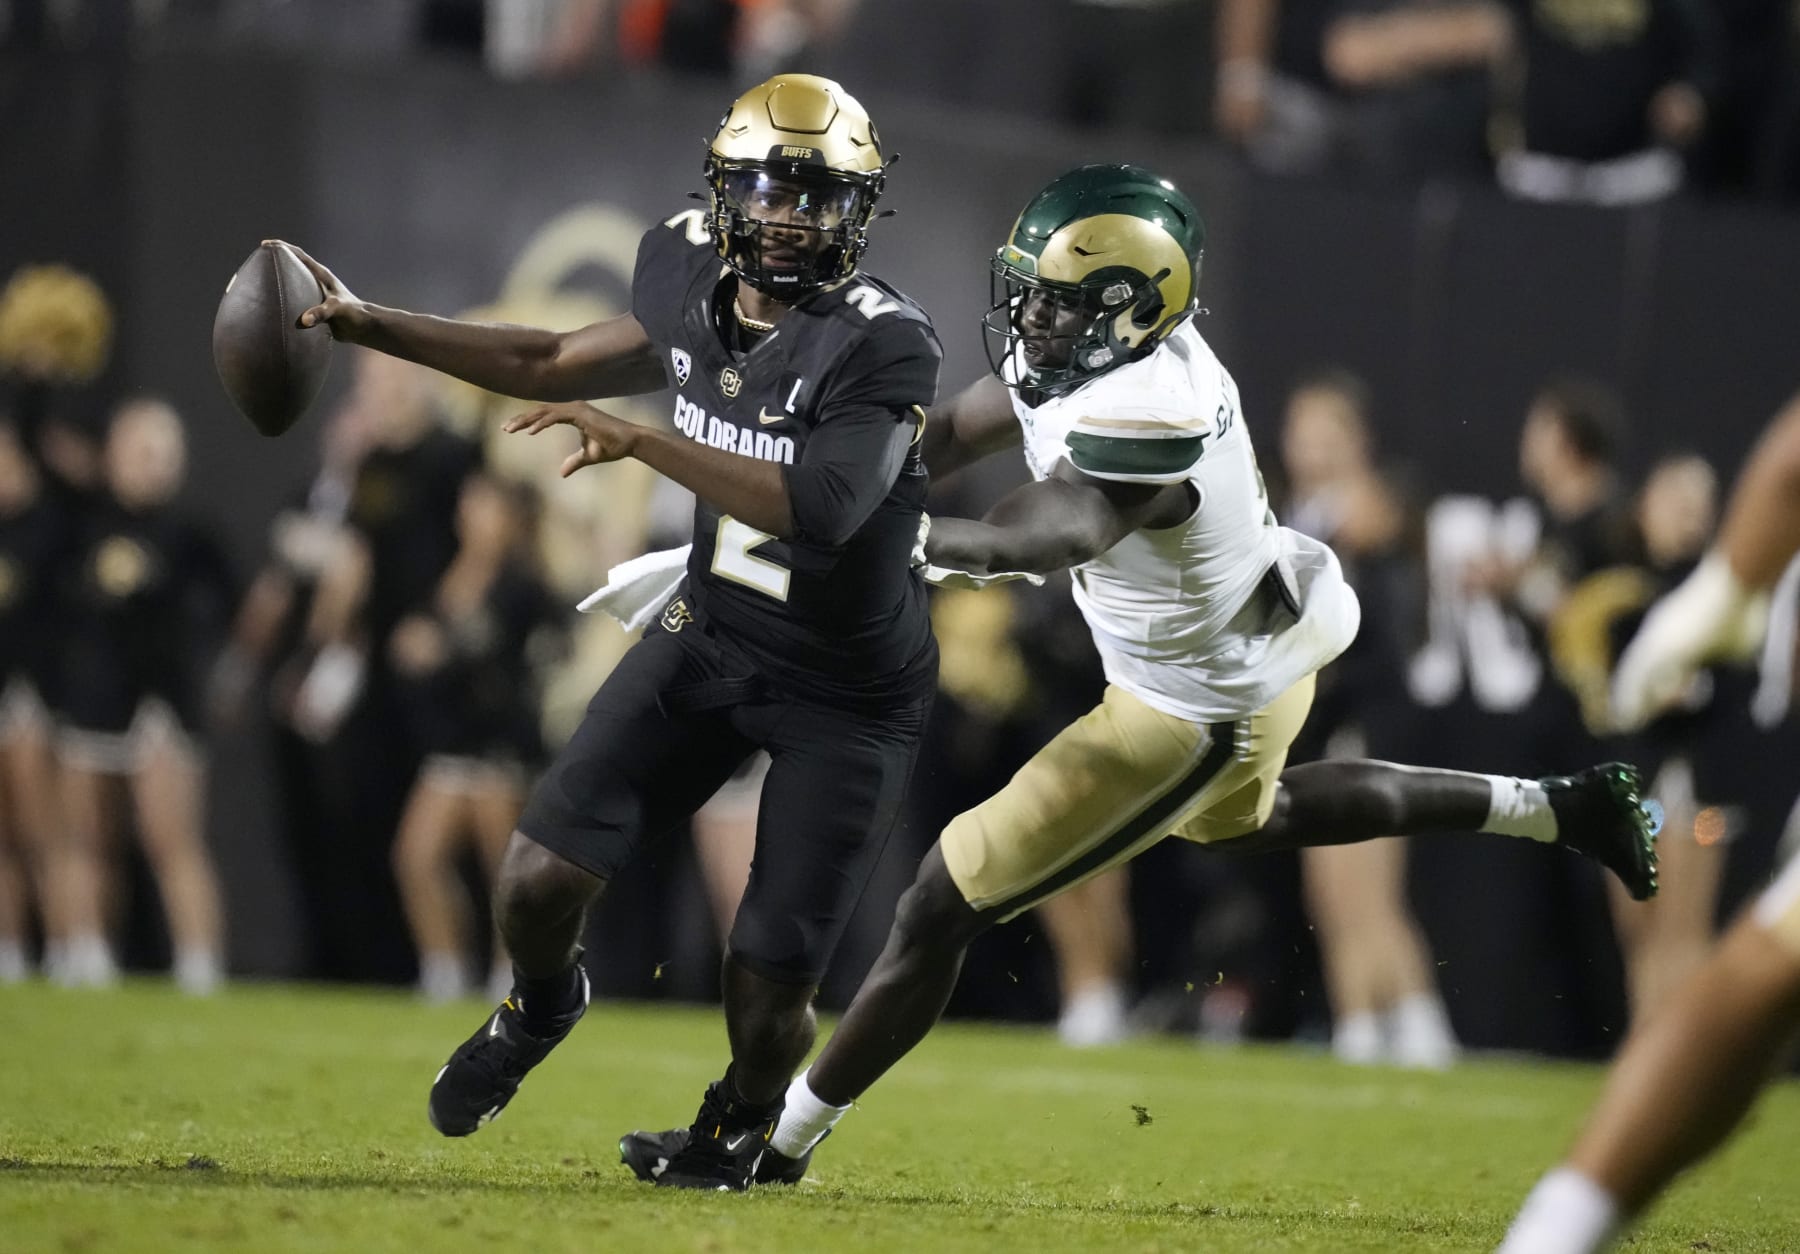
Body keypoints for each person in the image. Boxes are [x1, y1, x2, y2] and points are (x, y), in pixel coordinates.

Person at [618, 163, 1661, 1187]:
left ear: (1126, 312)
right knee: (1250, 818)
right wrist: (802, 497)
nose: (1026, 318)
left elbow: (1048, 529)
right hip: (1242, 657)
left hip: (1188, 708)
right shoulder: (1099, 355)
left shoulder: (1147, 412)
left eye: (1054, 303)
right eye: (1026, 291)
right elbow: (939, 434)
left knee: (942, 898)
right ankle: (1559, 810)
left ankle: (768, 1141)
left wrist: (907, 544)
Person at [279, 72, 941, 1191]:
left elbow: (822, 510)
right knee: (535, 877)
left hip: (847, 688)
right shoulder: (683, 269)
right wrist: (365, 322)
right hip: (715, 632)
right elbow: (540, 360)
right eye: (771, 187)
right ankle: (543, 1005)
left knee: (770, 985)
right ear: (724, 193)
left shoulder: (884, 342)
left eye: (820, 194)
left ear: (860, 210)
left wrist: (645, 445)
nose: (791, 215)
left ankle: (734, 1125)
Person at [1499, 391, 1800, 1254]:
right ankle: (1652, 1065)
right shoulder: (1628, 589)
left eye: (1699, 505)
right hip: (1638, 784)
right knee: (1639, 926)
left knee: (1685, 931)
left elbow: (1731, 700)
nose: (1686, 516)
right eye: (1674, 501)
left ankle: (1661, 1077)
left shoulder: (1717, 587)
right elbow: (1600, 685)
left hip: (1700, 794)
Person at [1280, 370, 1456, 1068]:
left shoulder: (1366, 508)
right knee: (1329, 886)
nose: (1313, 450)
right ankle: (1358, 1023)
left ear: (1357, 443)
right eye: (1303, 436)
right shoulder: (1304, 512)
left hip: (1371, 713)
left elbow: (1368, 626)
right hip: (1325, 718)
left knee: (1370, 885)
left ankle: (1419, 1023)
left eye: (1328, 437)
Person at [55, 398, 237, 994]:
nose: (153, 464)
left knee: (174, 840)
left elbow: (233, 613)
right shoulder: (79, 527)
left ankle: (200, 964)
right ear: (112, 456)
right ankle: (86, 955)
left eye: (164, 453)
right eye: (141, 451)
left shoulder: (192, 535)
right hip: (92, 699)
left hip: (164, 704)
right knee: (87, 838)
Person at [388, 470, 560, 1002]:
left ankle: (511, 975)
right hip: (450, 741)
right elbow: (412, 639)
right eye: (471, 505)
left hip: (498, 745)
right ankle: (443, 967)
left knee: (504, 870)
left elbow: (494, 647)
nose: (476, 517)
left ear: (511, 520)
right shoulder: (446, 572)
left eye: (488, 508)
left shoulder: (523, 585)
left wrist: (438, 649)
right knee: (416, 856)